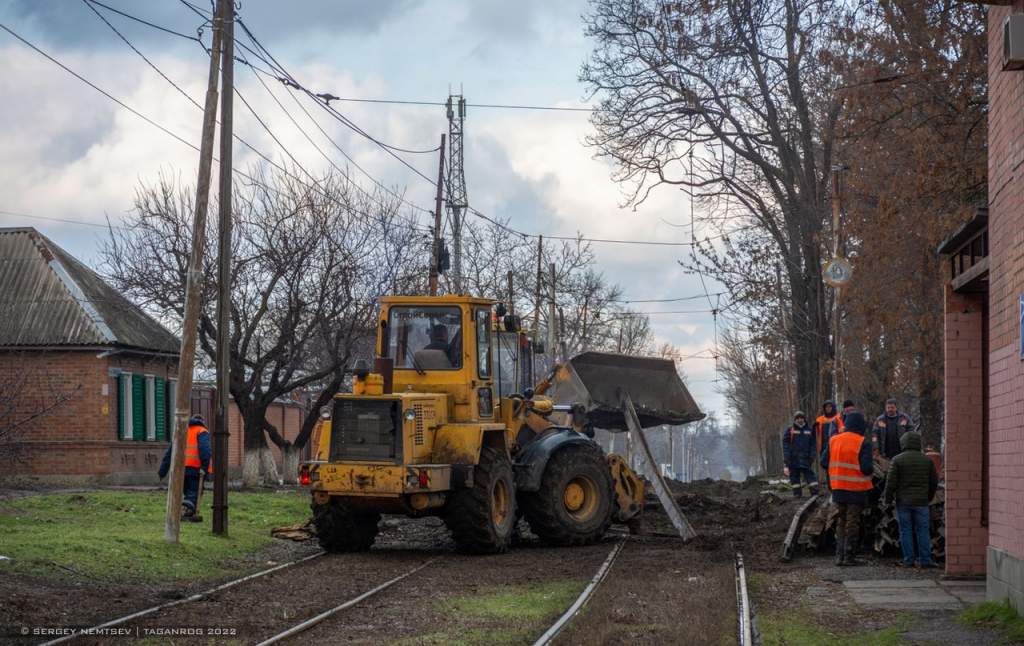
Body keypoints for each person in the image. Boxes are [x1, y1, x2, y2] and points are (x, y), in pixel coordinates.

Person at [821, 411, 873, 565]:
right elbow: (867, 469)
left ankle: (839, 556)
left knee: (841, 521)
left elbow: (824, 462)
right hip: (856, 488)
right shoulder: (863, 442)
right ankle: (849, 556)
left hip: (838, 488)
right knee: (852, 522)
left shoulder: (833, 440)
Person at [883, 431, 939, 568]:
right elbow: (933, 482)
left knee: (905, 530)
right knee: (922, 530)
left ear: (903, 443)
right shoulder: (926, 460)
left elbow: (891, 483)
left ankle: (908, 560)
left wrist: (888, 499)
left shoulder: (897, 460)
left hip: (903, 502)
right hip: (921, 502)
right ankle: (925, 560)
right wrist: (929, 497)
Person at [158, 416, 211, 522]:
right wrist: (204, 467)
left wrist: (162, 470)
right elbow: (205, 450)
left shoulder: (181, 431)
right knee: (193, 492)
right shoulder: (202, 431)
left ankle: (187, 511)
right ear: (202, 422)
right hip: (196, 468)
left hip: (180, 468)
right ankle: (186, 510)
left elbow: (170, 452)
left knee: (187, 492)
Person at [782, 411, 819, 498]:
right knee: (794, 478)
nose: (799, 420)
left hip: (806, 458)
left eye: (801, 418)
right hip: (793, 459)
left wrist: (812, 456)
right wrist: (787, 459)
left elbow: (813, 445)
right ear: (795, 420)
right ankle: (797, 494)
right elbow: (785, 445)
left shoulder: (809, 430)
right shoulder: (790, 430)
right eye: (797, 418)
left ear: (804, 419)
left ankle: (815, 493)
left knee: (810, 476)